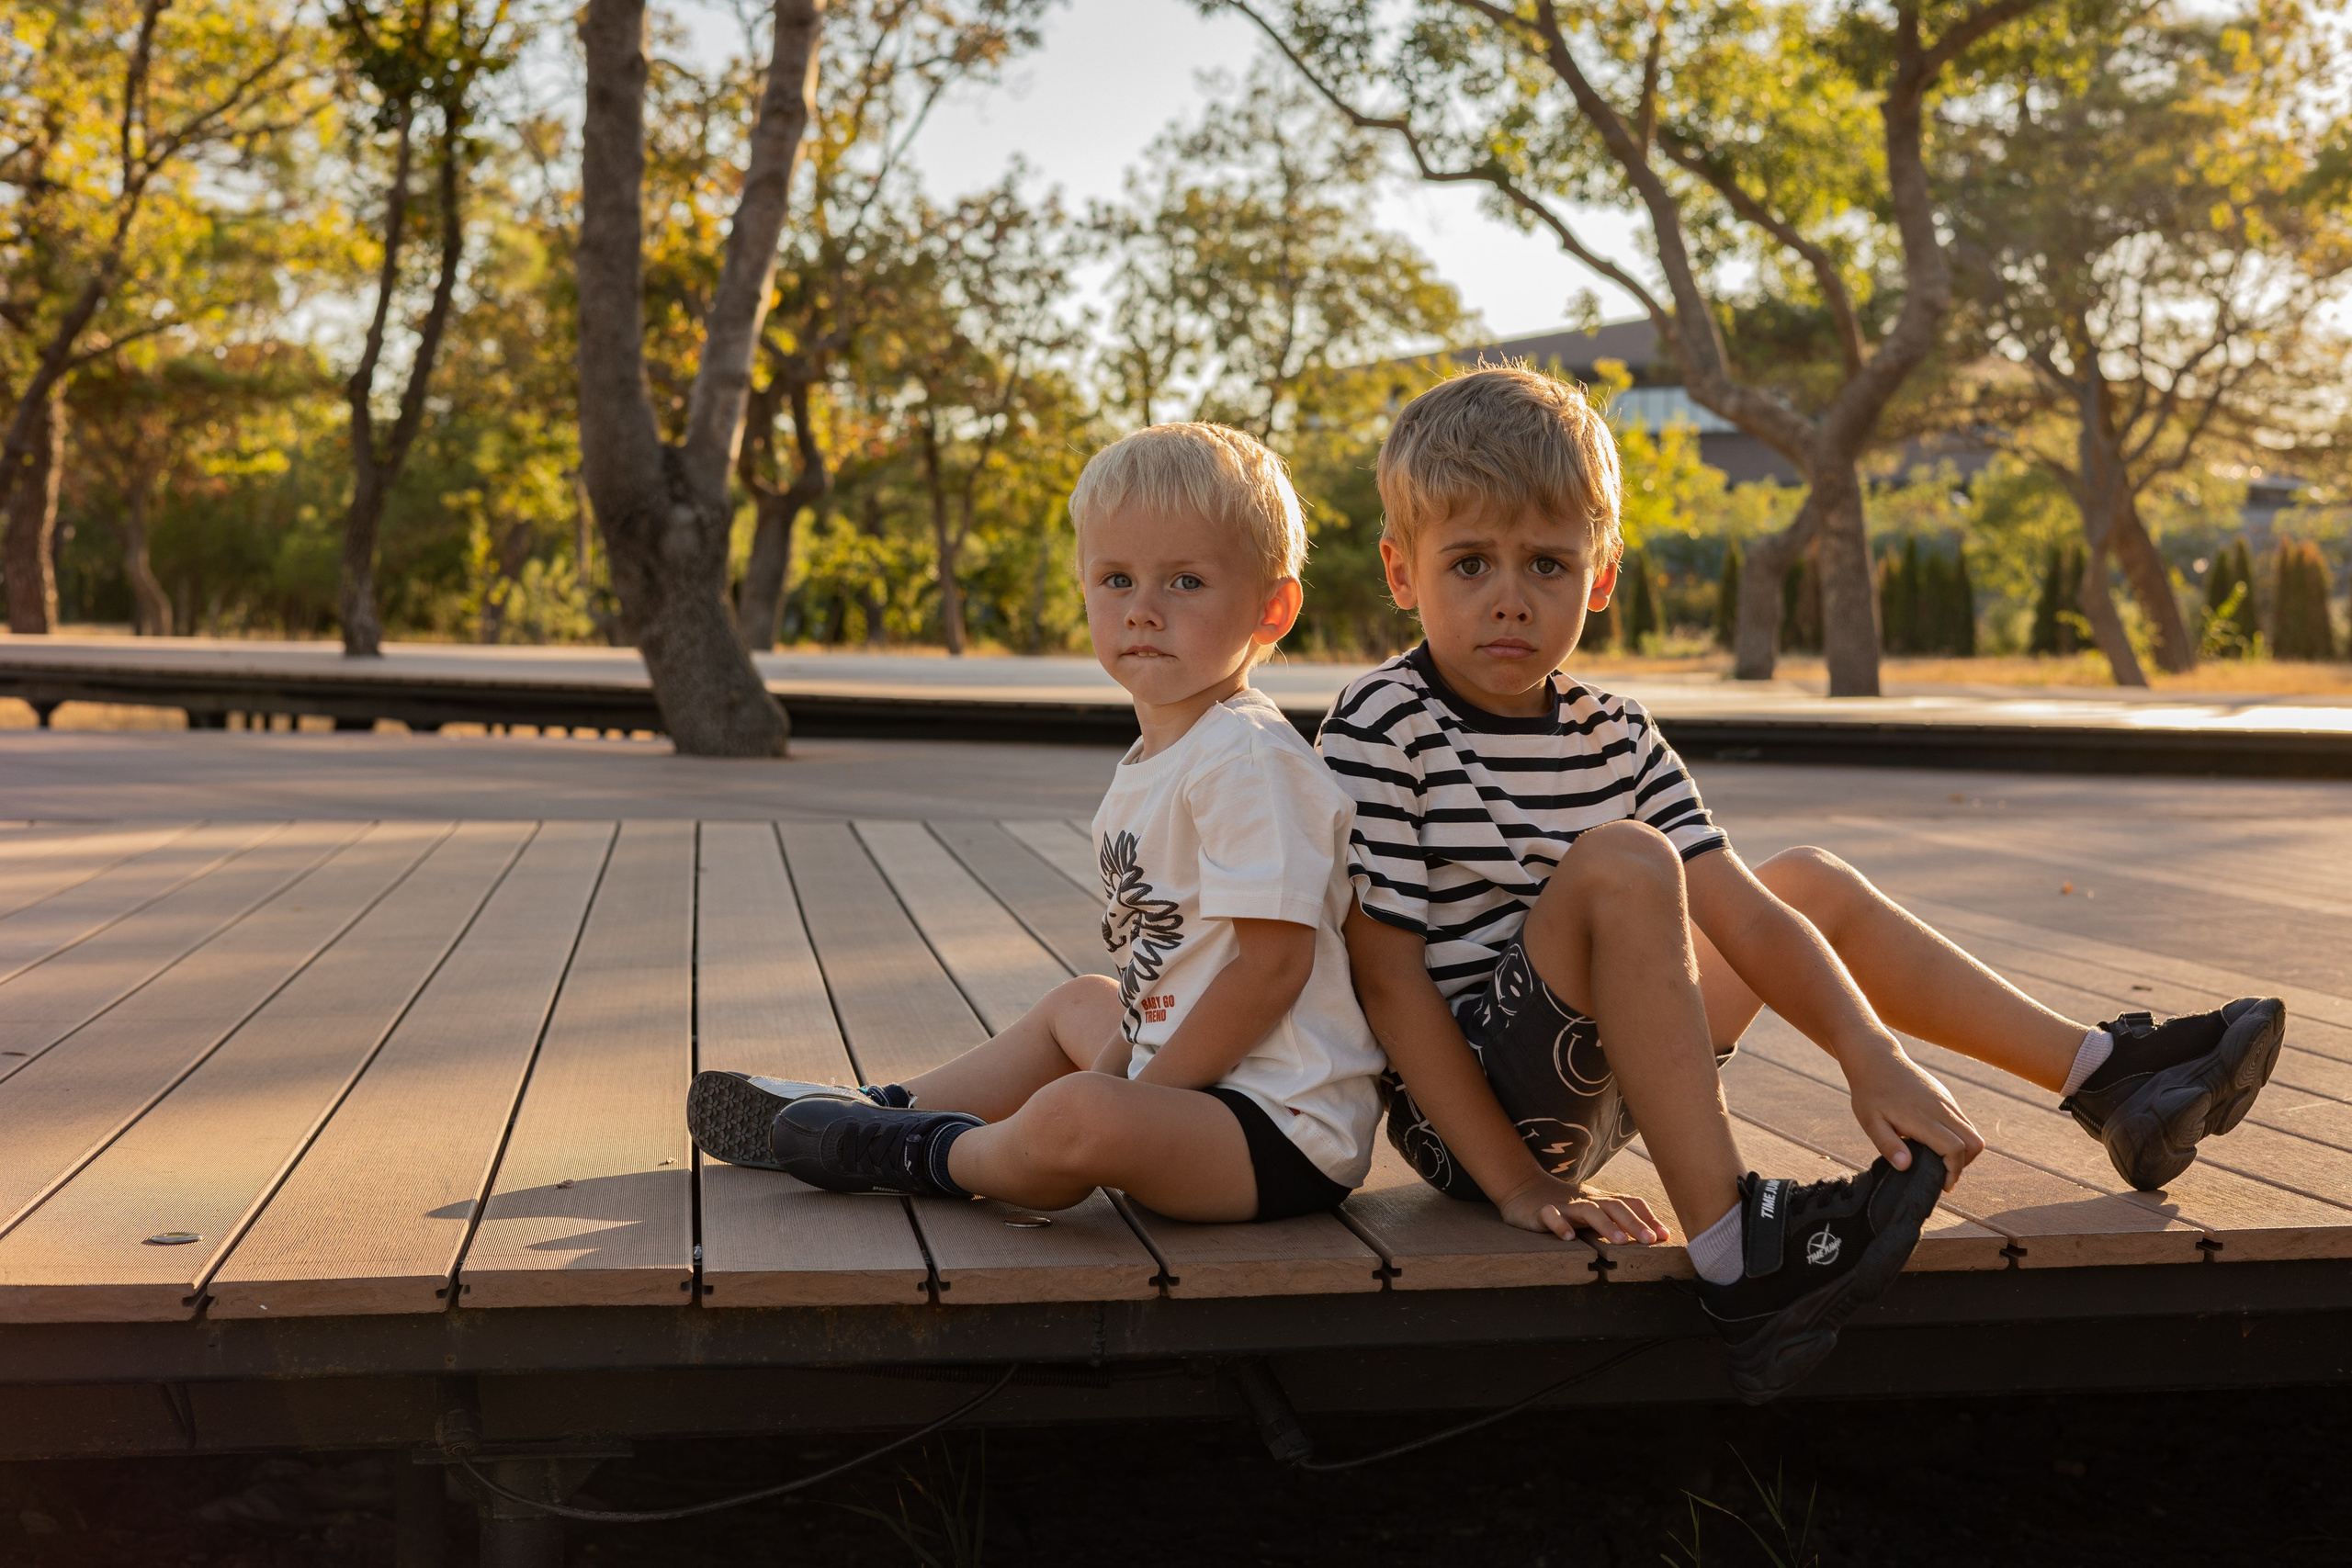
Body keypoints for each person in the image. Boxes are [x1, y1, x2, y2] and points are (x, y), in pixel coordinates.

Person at [1317, 365, 2286, 1403]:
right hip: (1472, 1117)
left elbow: (1744, 915)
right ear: (1400, 571)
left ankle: (2107, 1080)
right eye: (1469, 563)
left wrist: (1869, 1055)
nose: (1509, 598)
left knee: (1804, 882)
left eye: (1547, 565)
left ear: (1600, 577)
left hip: (1603, 1079)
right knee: (1628, 859)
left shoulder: (1616, 731)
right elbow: (1387, 983)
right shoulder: (1381, 724)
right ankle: (1738, 1250)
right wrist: (1514, 1183)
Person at [688, 423, 1384, 1224]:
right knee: (1080, 1005)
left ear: (1272, 607)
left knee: (1078, 1115)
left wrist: (1134, 1094)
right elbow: (1173, 968)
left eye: (1185, 582)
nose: (1144, 611)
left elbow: (1271, 969)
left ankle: (927, 1151)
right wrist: (1129, 1064)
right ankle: (878, 1105)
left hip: (1276, 1130)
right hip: (1190, 1081)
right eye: (1116, 579)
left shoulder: (1248, 760)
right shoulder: (1166, 754)